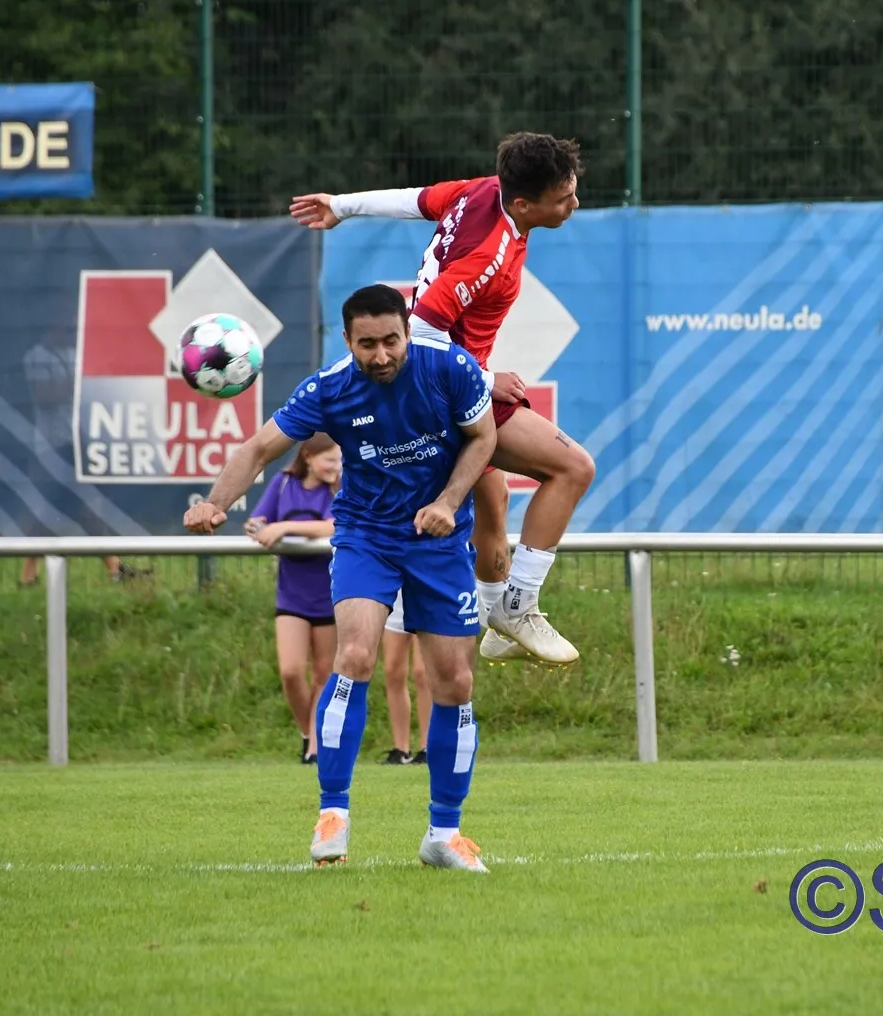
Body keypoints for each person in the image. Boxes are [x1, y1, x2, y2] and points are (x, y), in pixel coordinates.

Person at [183, 283, 497, 873]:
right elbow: (259, 448)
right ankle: (333, 814)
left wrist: (449, 502)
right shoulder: (329, 388)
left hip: (439, 538)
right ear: (348, 341)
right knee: (353, 654)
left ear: (407, 332)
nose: (381, 355)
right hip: (366, 536)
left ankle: (444, 834)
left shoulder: (450, 367)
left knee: (455, 681)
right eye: (367, 344)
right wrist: (215, 503)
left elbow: (484, 439)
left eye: (391, 341)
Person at [289, 131, 594, 666]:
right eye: (564, 197)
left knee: (493, 499)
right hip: (446, 389)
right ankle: (518, 607)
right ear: (525, 204)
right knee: (573, 468)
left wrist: (342, 205)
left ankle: (497, 618)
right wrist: (485, 379)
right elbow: (423, 328)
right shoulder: (489, 254)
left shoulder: (483, 189)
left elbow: (414, 200)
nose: (574, 204)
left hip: (442, 381)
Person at [246, 432, 342, 764]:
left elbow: (335, 526)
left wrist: (285, 527)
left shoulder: (340, 487)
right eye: (329, 459)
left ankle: (315, 748)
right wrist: (258, 526)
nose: (336, 466)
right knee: (290, 671)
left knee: (324, 674)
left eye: (339, 460)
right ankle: (307, 732)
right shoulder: (284, 483)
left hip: (330, 593)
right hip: (292, 594)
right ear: (308, 457)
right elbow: (260, 520)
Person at [19, 327, 131, 586]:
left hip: (77, 443)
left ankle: (114, 568)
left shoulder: (73, 354)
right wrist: (77, 382)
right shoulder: (37, 356)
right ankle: (28, 572)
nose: (68, 332)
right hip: (50, 447)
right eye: (63, 326)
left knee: (85, 506)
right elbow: (45, 395)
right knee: (53, 507)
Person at [380, 590, 430, 765]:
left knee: (423, 672)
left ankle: (428, 747)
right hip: (398, 594)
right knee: (392, 670)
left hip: (426, 592)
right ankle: (401, 749)